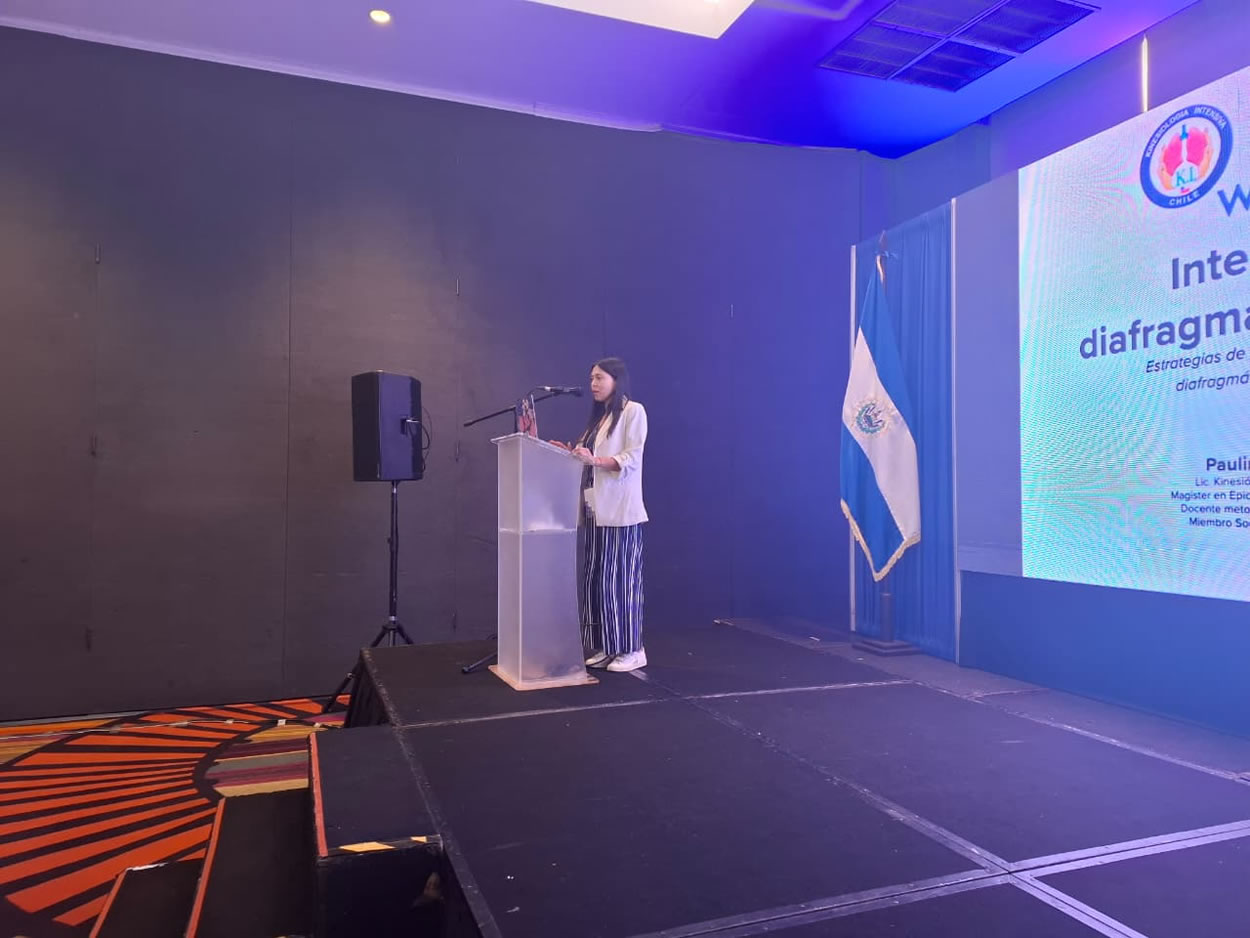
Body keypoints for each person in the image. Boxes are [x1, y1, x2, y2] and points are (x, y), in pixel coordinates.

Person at [569, 358, 648, 672]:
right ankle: (607, 645)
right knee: (596, 580)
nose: (593, 384)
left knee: (620, 581)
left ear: (617, 379)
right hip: (594, 512)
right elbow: (587, 458)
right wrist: (568, 452)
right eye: (591, 378)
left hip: (619, 513)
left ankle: (632, 648)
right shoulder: (598, 419)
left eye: (599, 378)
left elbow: (631, 458)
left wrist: (595, 460)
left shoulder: (633, 411)